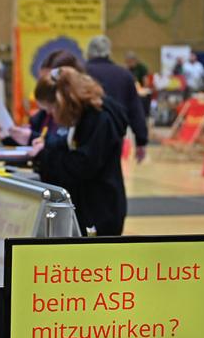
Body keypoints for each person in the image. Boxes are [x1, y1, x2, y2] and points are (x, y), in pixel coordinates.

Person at [28, 67, 129, 236]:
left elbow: (82, 164)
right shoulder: (85, 115)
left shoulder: (99, 119)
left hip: (100, 211)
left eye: (50, 110)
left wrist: (45, 156)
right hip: (92, 205)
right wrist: (47, 145)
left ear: (61, 101)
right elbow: (71, 145)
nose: (50, 116)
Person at [0, 49, 85, 150]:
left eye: (48, 83)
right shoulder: (42, 115)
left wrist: (32, 137)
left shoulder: (81, 114)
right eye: (41, 82)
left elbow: (65, 147)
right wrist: (7, 135)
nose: (43, 88)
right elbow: (28, 140)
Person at [85, 35, 148, 163]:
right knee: (111, 170)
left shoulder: (80, 72)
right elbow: (135, 111)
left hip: (83, 136)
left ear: (89, 52)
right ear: (109, 52)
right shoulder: (124, 75)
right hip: (114, 137)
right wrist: (141, 140)